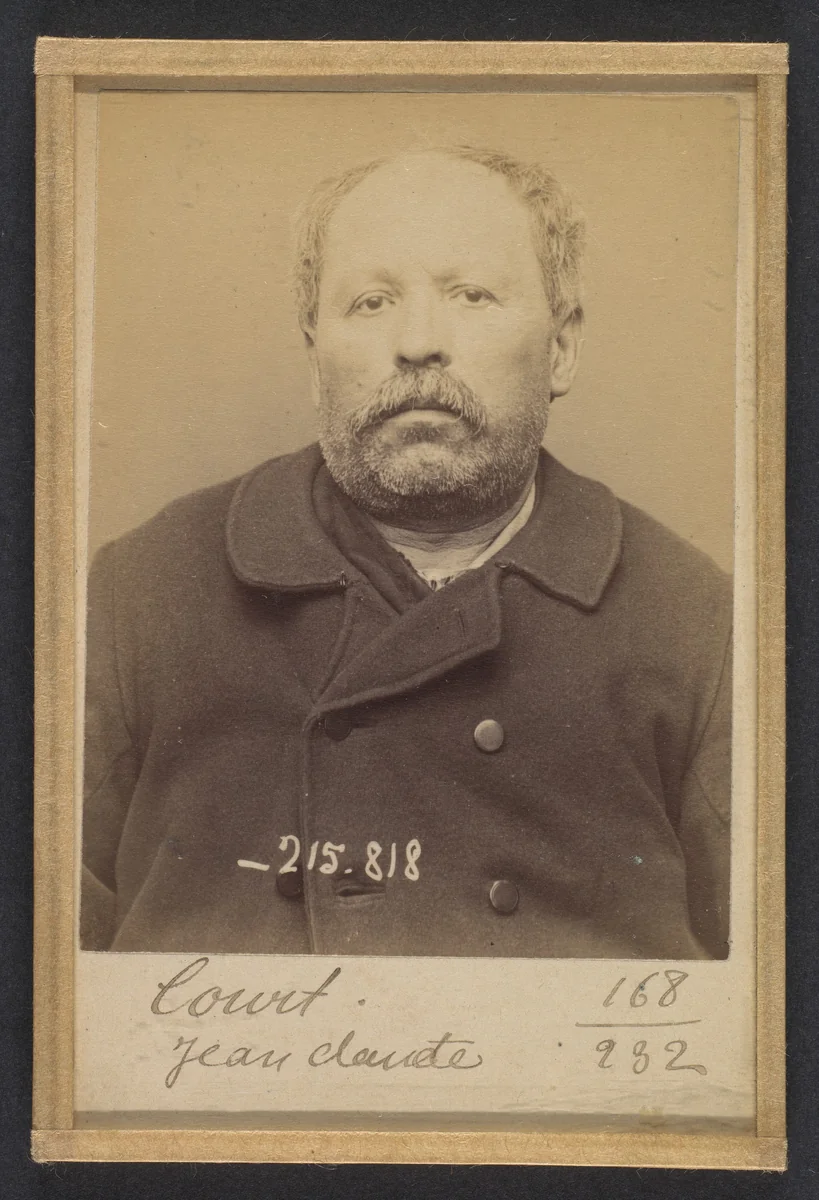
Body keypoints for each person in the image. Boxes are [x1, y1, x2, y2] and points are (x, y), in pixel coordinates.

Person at [81, 145, 732, 959]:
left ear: (561, 348)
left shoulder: (698, 621)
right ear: (314, 355)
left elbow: (770, 1010)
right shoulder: (140, 590)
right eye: (372, 301)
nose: (419, 341)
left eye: (471, 295)